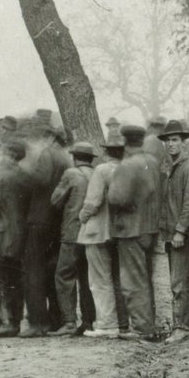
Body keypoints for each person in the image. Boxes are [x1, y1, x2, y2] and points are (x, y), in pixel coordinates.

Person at [13, 112, 67, 334]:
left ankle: (37, 322)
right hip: (55, 220)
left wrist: (21, 176)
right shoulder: (64, 156)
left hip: (39, 219)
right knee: (51, 270)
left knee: (33, 271)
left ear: (49, 136)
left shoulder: (47, 154)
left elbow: (42, 180)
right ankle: (56, 318)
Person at [107, 123, 162, 340]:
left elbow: (116, 198)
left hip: (130, 229)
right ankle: (148, 323)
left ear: (124, 142)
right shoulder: (152, 162)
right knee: (145, 278)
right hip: (150, 228)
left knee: (132, 281)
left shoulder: (127, 165)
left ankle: (141, 328)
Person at [159, 119, 189, 341]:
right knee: (185, 279)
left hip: (183, 236)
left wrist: (180, 231)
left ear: (183, 142)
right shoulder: (173, 168)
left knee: (178, 282)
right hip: (173, 234)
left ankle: (181, 327)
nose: (170, 144)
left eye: (175, 140)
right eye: (167, 141)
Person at [78, 133, 121, 337]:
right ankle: (118, 321)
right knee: (115, 277)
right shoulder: (126, 169)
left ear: (105, 152)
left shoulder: (102, 170)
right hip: (117, 230)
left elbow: (92, 202)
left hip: (97, 230)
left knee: (99, 279)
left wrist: (82, 217)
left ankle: (106, 323)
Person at [0, 135, 28, 335]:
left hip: (0, 234)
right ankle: (15, 320)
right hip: (19, 235)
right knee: (14, 278)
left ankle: (3, 321)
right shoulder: (23, 174)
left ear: (9, 154)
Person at [53, 139, 97, 333]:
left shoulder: (71, 173)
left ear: (74, 157)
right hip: (92, 233)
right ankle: (88, 321)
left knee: (64, 275)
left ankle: (69, 321)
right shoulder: (96, 174)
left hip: (72, 232)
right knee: (87, 278)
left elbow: (55, 200)